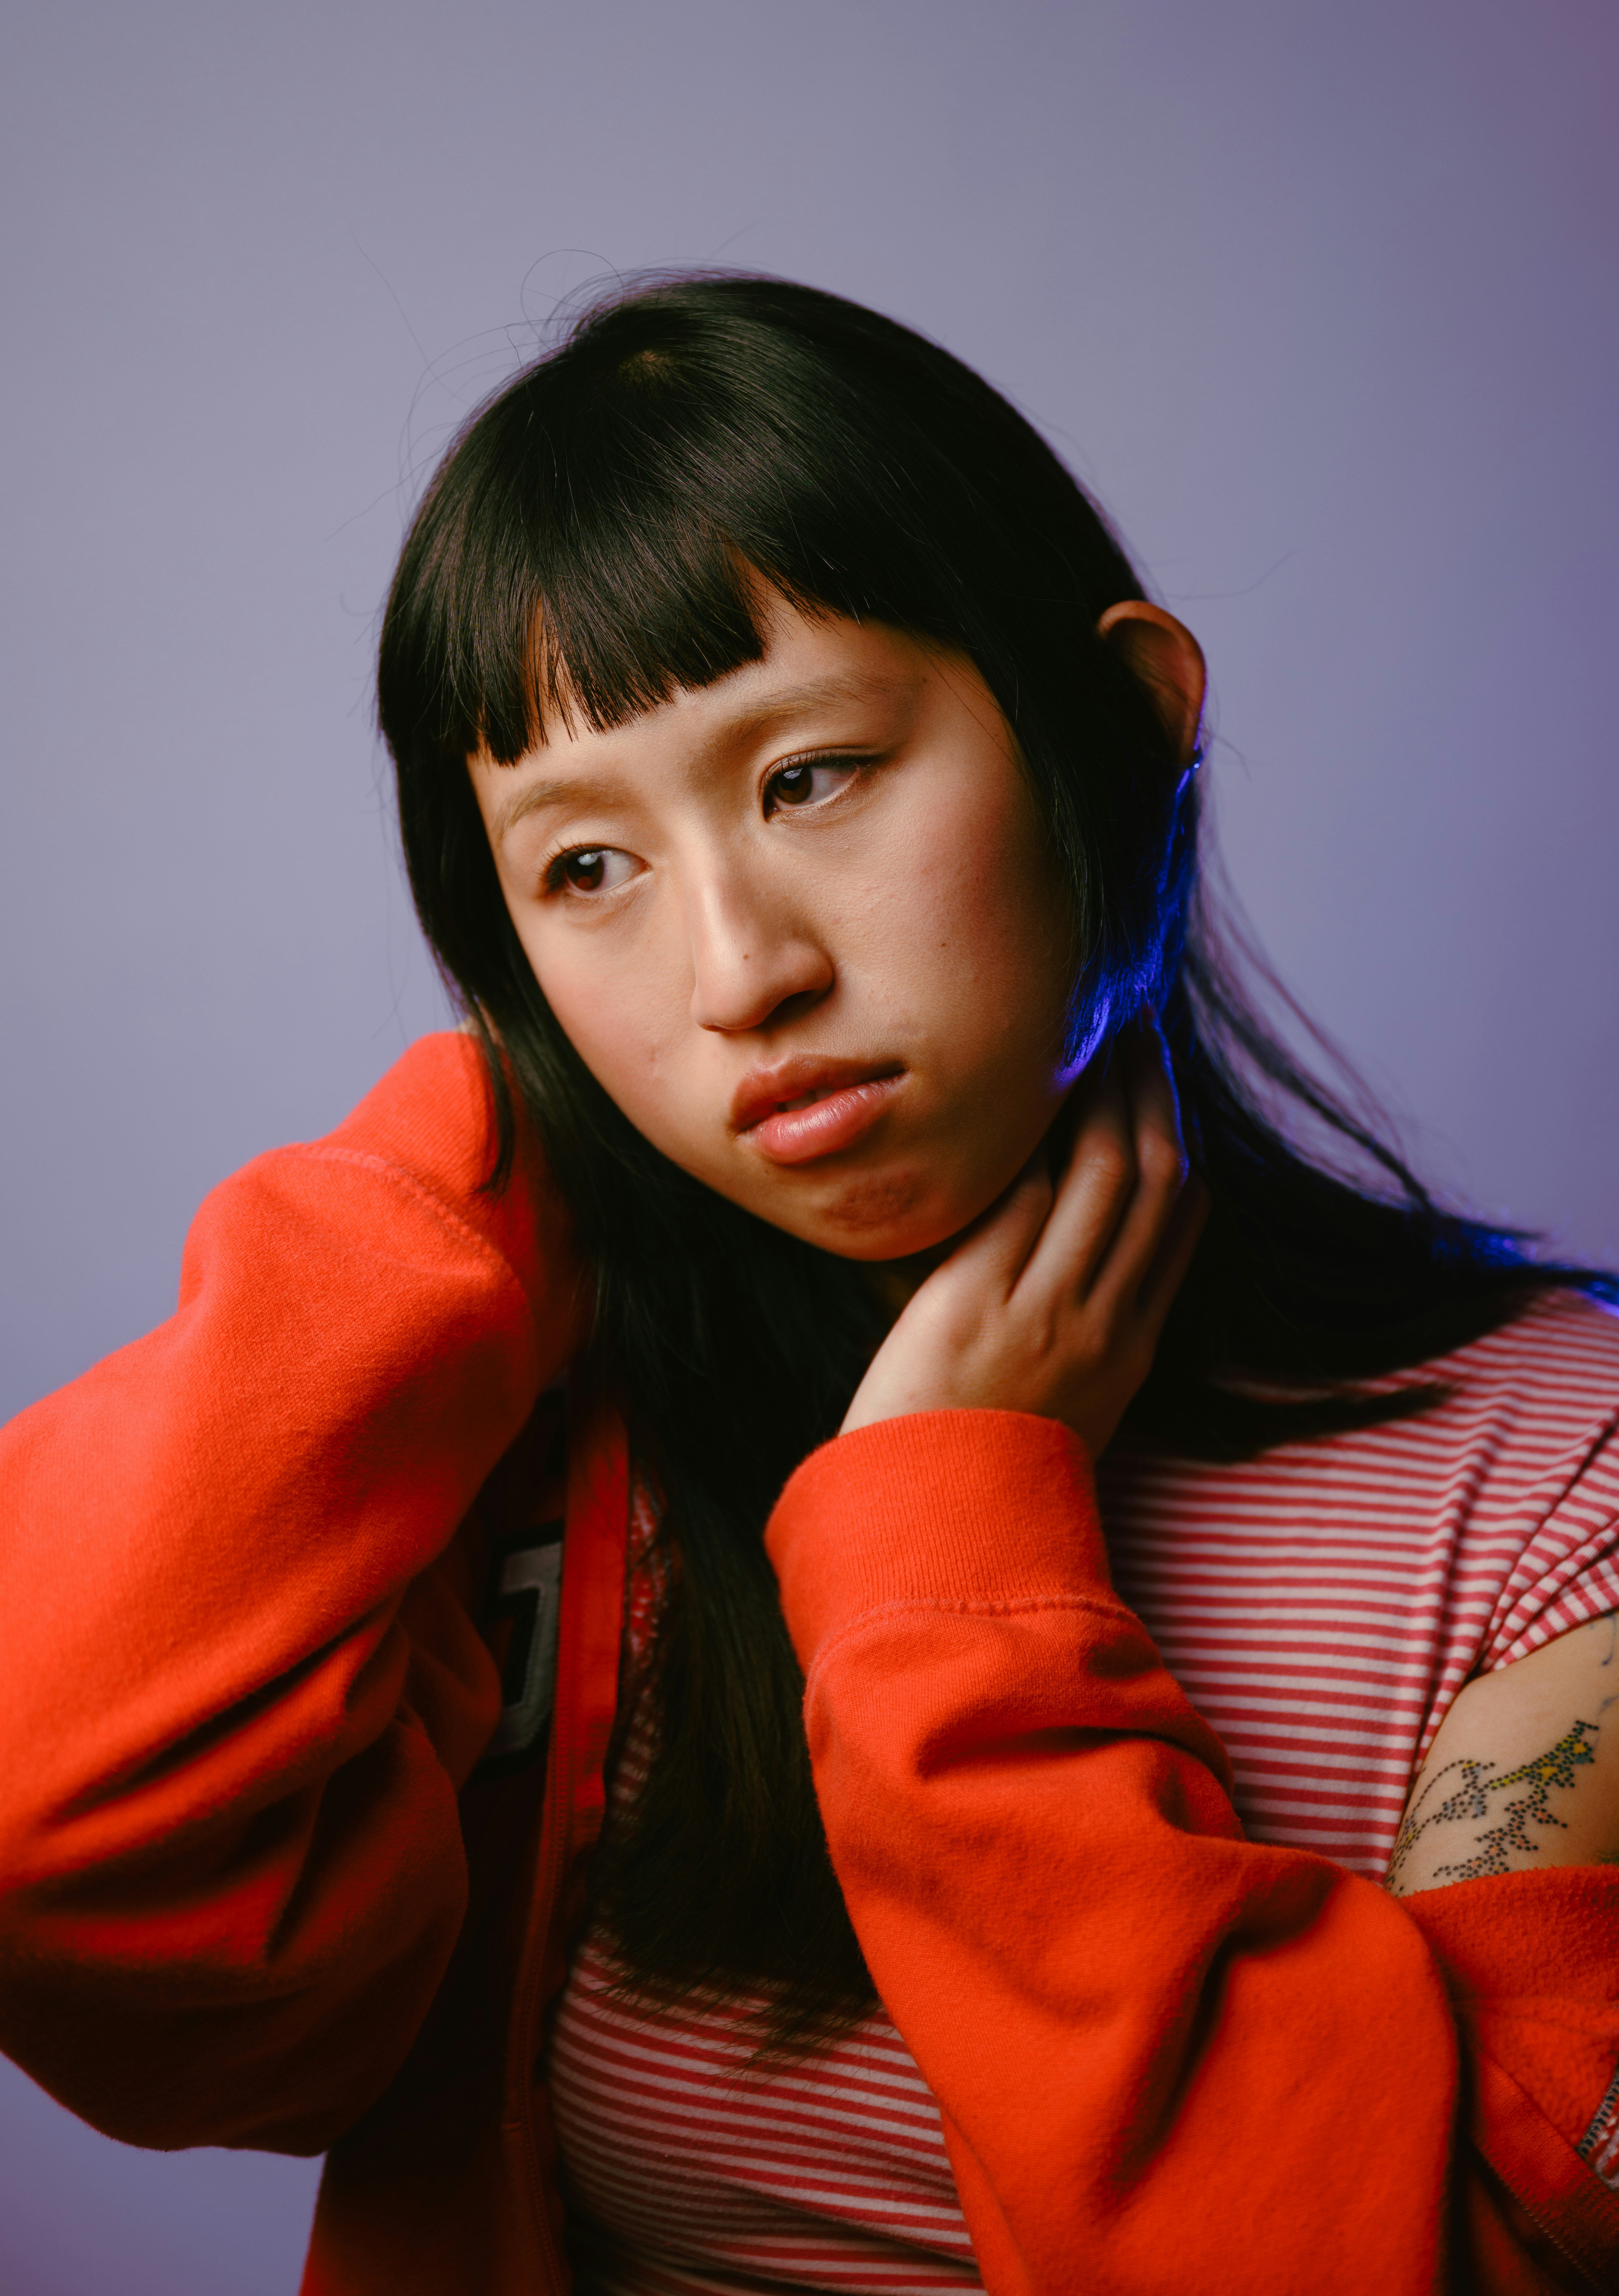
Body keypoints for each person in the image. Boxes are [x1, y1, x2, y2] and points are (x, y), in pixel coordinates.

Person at [1, 273, 1617, 2296]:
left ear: (1121, 720)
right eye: (584, 869)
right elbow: (50, 1845)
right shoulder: (541, 1455)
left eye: (810, 777)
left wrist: (948, 1558)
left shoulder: (1565, 1499)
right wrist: (491, 1175)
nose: (739, 971)